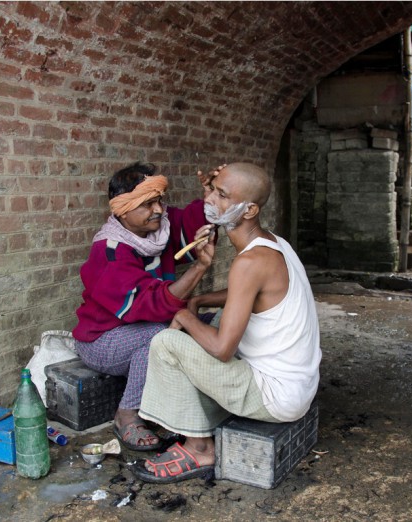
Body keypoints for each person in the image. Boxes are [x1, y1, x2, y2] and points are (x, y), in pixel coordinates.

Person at [132, 162, 322, 484]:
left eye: (221, 195)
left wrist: (183, 314)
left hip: (274, 397)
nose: (209, 200)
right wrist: (201, 300)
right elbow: (251, 295)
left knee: (166, 342)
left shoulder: (249, 262)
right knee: (213, 317)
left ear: (248, 209)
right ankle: (199, 420)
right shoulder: (273, 243)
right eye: (212, 190)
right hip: (297, 388)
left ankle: (199, 448)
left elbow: (222, 350)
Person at [72, 162, 216, 451]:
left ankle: (159, 409)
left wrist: (211, 199)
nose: (159, 209)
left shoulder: (158, 230)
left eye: (159, 200)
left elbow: (188, 222)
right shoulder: (110, 252)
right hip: (103, 341)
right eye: (148, 204)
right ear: (123, 209)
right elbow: (150, 304)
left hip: (141, 331)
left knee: (188, 327)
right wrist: (200, 267)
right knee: (168, 331)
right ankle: (127, 414)